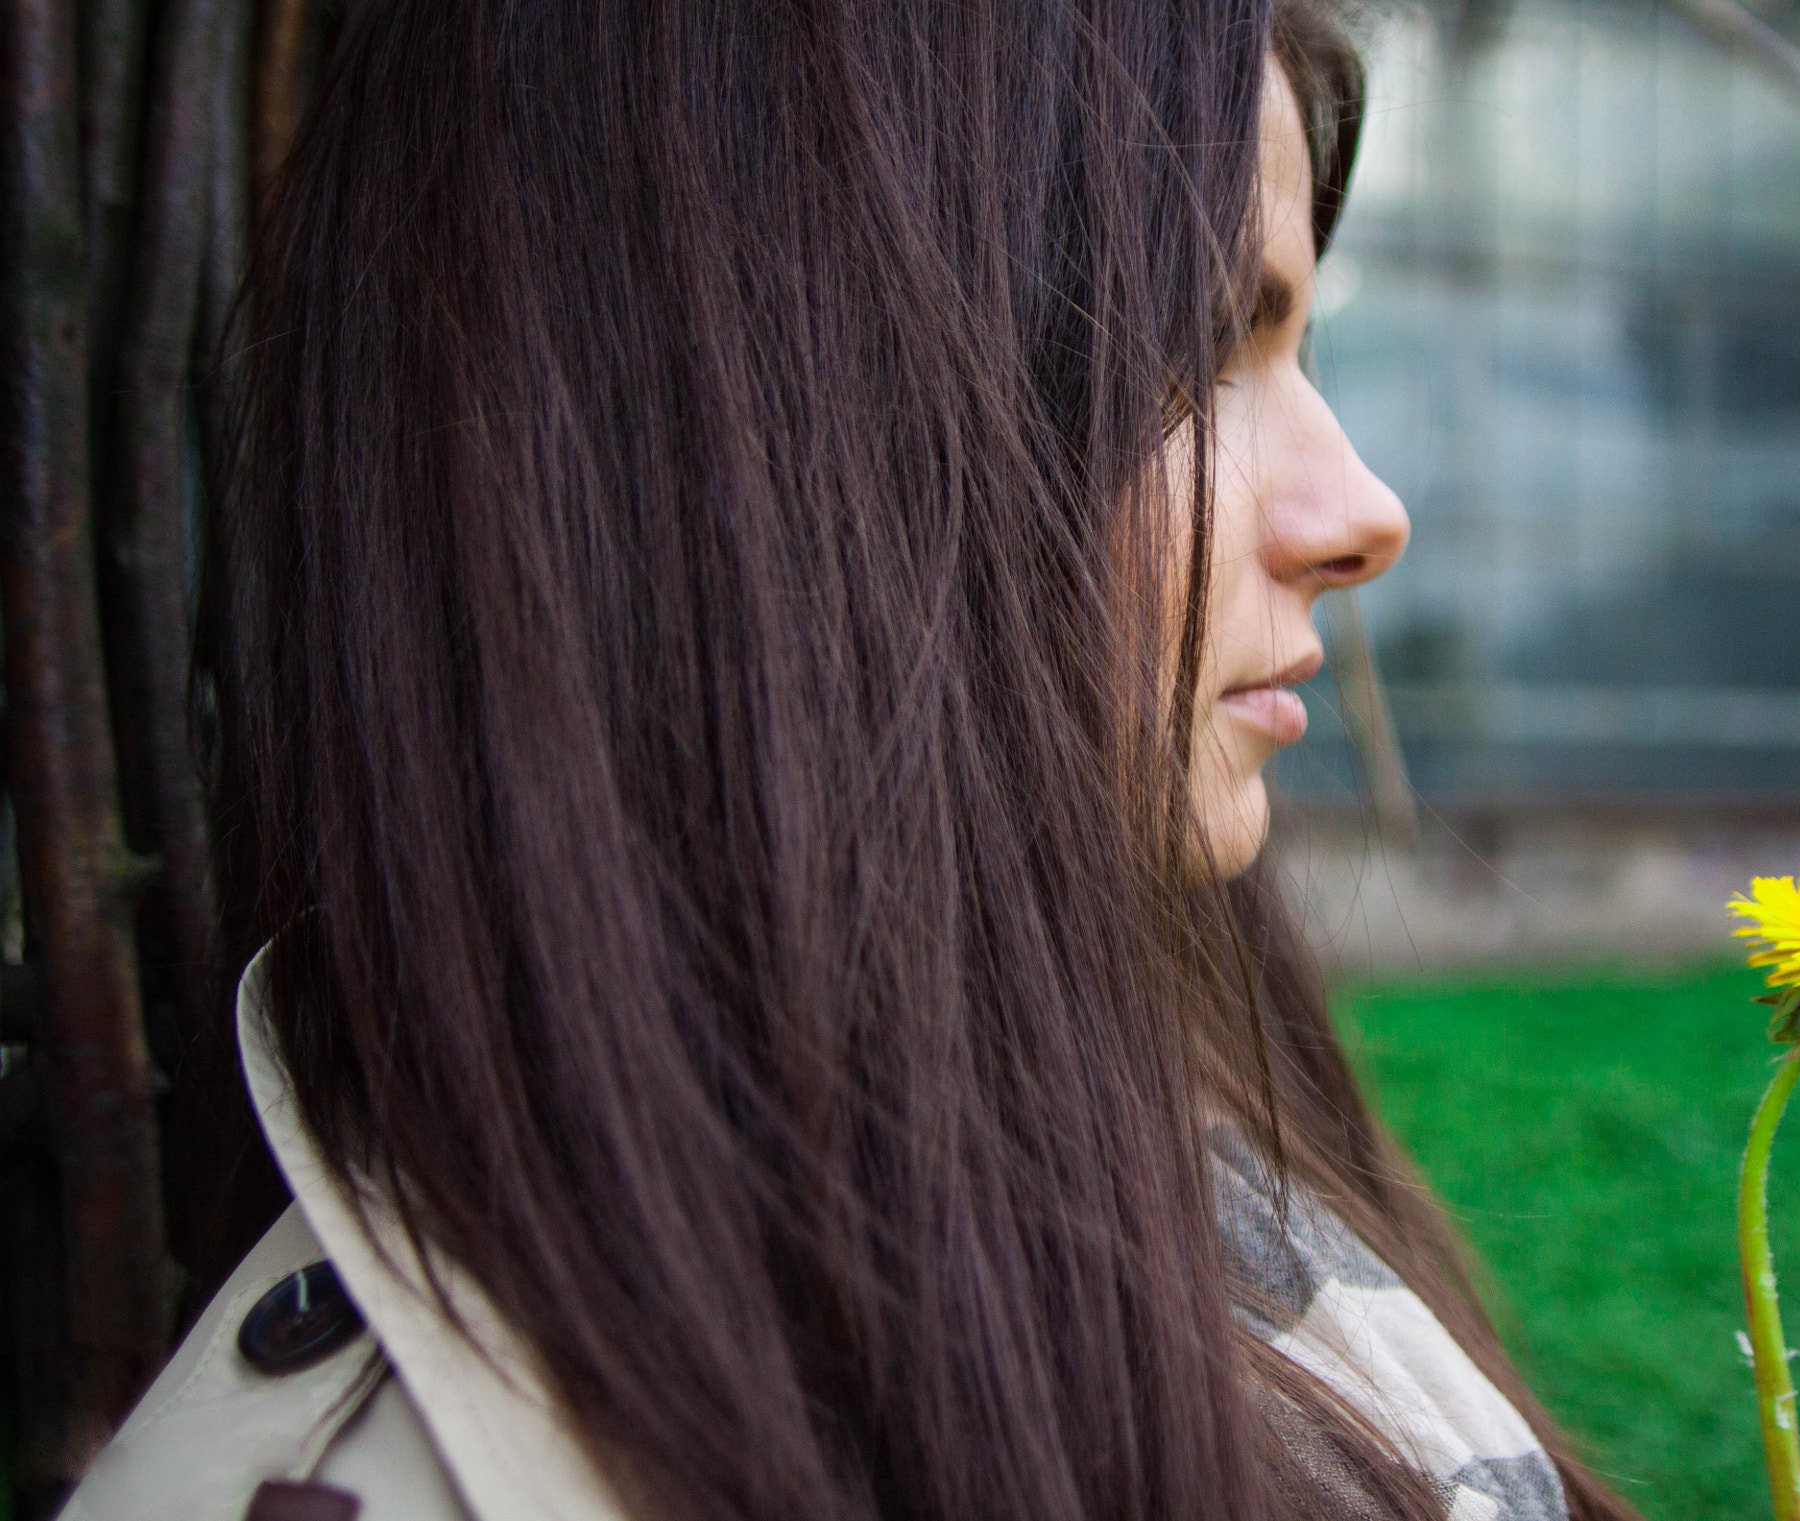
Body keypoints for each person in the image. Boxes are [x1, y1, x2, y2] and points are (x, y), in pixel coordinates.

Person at [63, 2, 1642, 1518]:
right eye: (1187, 352)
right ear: (747, 441)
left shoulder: (1118, 1117)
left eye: (1296, 345)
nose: (1365, 510)